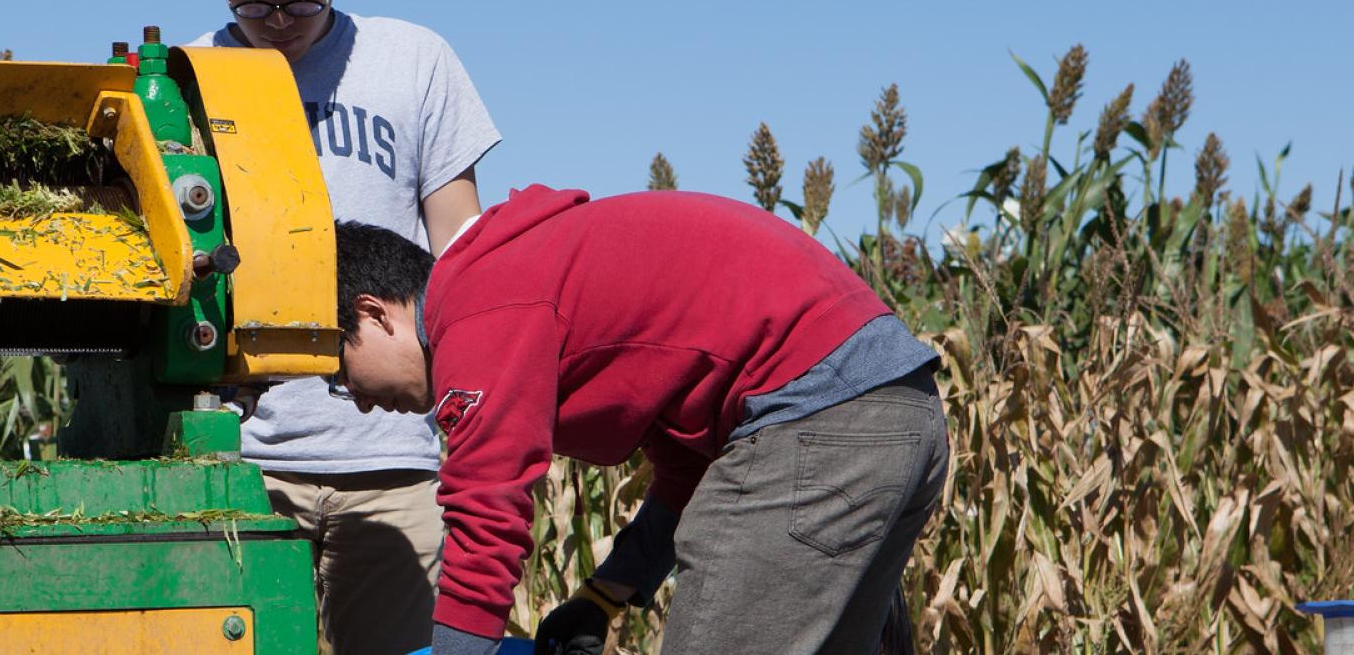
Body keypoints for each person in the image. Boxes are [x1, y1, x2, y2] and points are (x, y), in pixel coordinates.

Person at [326, 187, 951, 655]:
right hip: (901, 415)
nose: (355, 398)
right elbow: (689, 467)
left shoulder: (477, 307)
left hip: (820, 418)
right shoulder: (533, 273)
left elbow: (485, 517)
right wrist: (603, 596)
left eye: (339, 368)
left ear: (374, 313)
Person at [190, 0, 502, 653]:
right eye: (252, 2)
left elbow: (465, 260)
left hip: (394, 463)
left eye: (302, 0)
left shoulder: (414, 62)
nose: (278, 21)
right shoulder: (187, 82)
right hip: (242, 466)